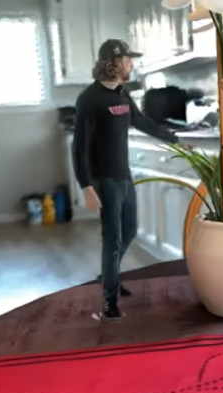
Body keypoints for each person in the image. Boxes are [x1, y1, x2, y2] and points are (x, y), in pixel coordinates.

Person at [72, 39, 180, 320]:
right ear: (114, 62)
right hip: (103, 179)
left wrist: (175, 139)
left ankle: (108, 276)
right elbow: (79, 147)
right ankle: (110, 302)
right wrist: (86, 186)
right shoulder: (90, 99)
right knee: (112, 240)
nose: (132, 64)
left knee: (130, 229)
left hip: (123, 174)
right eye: (128, 59)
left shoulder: (122, 94)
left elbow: (140, 121)